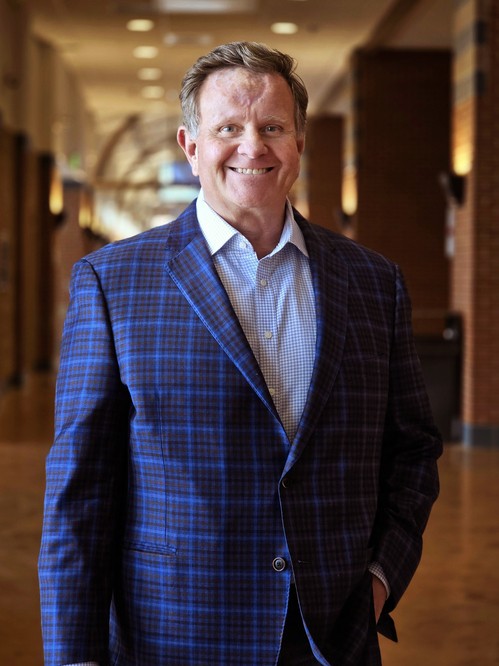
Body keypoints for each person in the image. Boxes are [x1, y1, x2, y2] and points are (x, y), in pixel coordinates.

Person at [39, 41, 442, 666]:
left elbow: (412, 449)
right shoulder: (112, 282)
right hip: (174, 634)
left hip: (331, 635)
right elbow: (79, 492)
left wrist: (380, 578)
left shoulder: (373, 282)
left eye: (272, 127)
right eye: (228, 128)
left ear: (299, 142)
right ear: (191, 145)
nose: (253, 147)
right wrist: (74, 656)